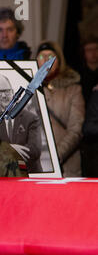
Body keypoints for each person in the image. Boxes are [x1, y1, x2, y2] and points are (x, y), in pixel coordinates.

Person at [36, 41, 85, 177]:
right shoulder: (30, 89)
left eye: (50, 57)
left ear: (59, 60)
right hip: (37, 162)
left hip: (66, 164)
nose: (45, 61)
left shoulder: (73, 89)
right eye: (41, 57)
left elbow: (76, 129)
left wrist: (56, 155)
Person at [0, 74, 43, 172]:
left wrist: (2, 150)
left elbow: (34, 151)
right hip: (5, 175)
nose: (4, 95)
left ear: (13, 91)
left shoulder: (31, 118)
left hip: (29, 174)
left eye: (6, 91)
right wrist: (9, 148)